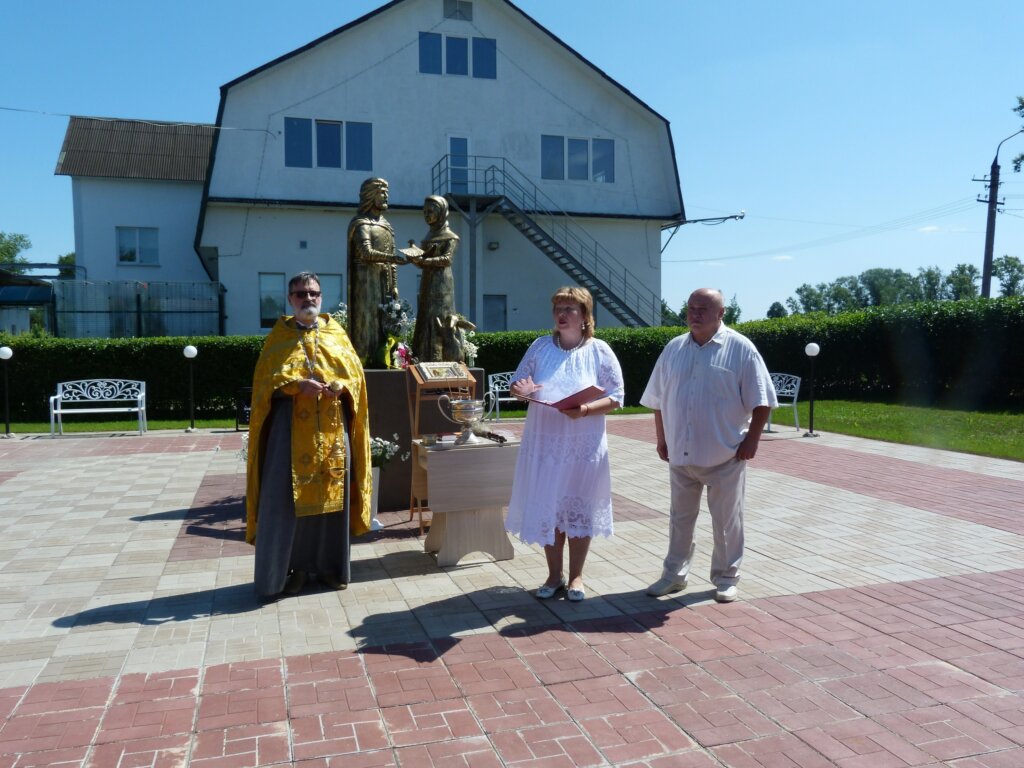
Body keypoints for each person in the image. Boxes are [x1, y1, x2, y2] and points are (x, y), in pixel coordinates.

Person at [640, 288, 777, 603]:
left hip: (725, 455)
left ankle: (727, 577)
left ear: (721, 313)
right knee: (679, 519)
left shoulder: (742, 350)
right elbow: (657, 401)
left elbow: (763, 400)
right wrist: (662, 439)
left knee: (727, 521)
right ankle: (674, 575)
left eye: (703, 308)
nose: (695, 314)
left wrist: (752, 440)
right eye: (691, 307)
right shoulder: (673, 349)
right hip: (680, 455)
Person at [245, 272, 372, 598]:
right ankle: (292, 569)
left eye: (313, 293)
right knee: (284, 503)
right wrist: (293, 386)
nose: (308, 299)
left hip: (331, 430)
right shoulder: (279, 337)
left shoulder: (336, 334)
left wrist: (342, 387)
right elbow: (263, 385)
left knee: (334, 502)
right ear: (290, 299)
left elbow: (355, 378)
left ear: (321, 296)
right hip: (288, 433)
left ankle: (330, 567)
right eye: (300, 293)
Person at [505, 286, 624, 602]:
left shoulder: (599, 350)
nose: (562, 314)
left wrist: (584, 409)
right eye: (558, 307)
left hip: (583, 444)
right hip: (545, 443)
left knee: (578, 509)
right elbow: (517, 387)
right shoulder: (540, 347)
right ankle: (553, 575)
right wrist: (523, 390)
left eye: (570, 308)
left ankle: (577, 577)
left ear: (585, 316)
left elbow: (617, 396)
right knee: (551, 507)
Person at [347, 178, 407, 368]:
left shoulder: (387, 226)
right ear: (370, 195)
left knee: (386, 323)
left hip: (384, 282)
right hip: (366, 282)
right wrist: (392, 259)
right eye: (381, 192)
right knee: (368, 322)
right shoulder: (361, 224)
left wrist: (395, 284)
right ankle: (366, 360)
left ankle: (386, 359)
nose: (386, 196)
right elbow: (365, 252)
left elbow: (392, 261)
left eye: (386, 192)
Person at [408, 195, 461, 363]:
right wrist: (414, 256)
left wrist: (424, 260)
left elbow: (447, 259)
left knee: (439, 316)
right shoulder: (429, 236)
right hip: (427, 281)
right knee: (425, 315)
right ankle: (422, 356)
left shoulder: (450, 236)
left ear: (441, 212)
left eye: (430, 211)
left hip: (442, 283)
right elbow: (423, 262)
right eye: (424, 212)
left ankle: (441, 358)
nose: (426, 215)